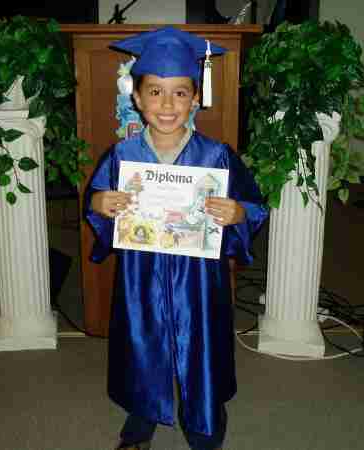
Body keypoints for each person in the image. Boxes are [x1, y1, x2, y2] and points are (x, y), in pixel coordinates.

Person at [84, 26, 269, 450]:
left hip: (198, 279)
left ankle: (205, 427)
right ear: (136, 98)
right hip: (141, 274)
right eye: (155, 92)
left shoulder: (216, 155)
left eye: (180, 93)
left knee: (200, 348)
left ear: (195, 98)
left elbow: (254, 206)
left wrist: (238, 213)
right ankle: (141, 422)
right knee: (143, 344)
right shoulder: (123, 155)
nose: (167, 105)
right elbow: (95, 202)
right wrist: (99, 203)